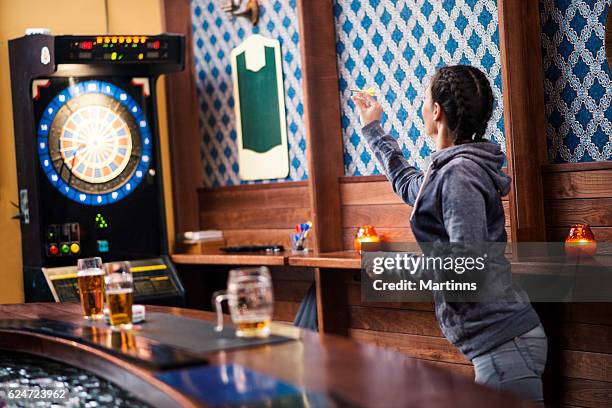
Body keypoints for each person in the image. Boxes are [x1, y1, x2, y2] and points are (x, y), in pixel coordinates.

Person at [352, 64, 548, 403]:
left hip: (504, 344)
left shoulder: (459, 175)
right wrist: (373, 129)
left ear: (438, 111)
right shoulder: (449, 169)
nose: (423, 107)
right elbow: (409, 184)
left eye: (426, 100)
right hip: (499, 345)